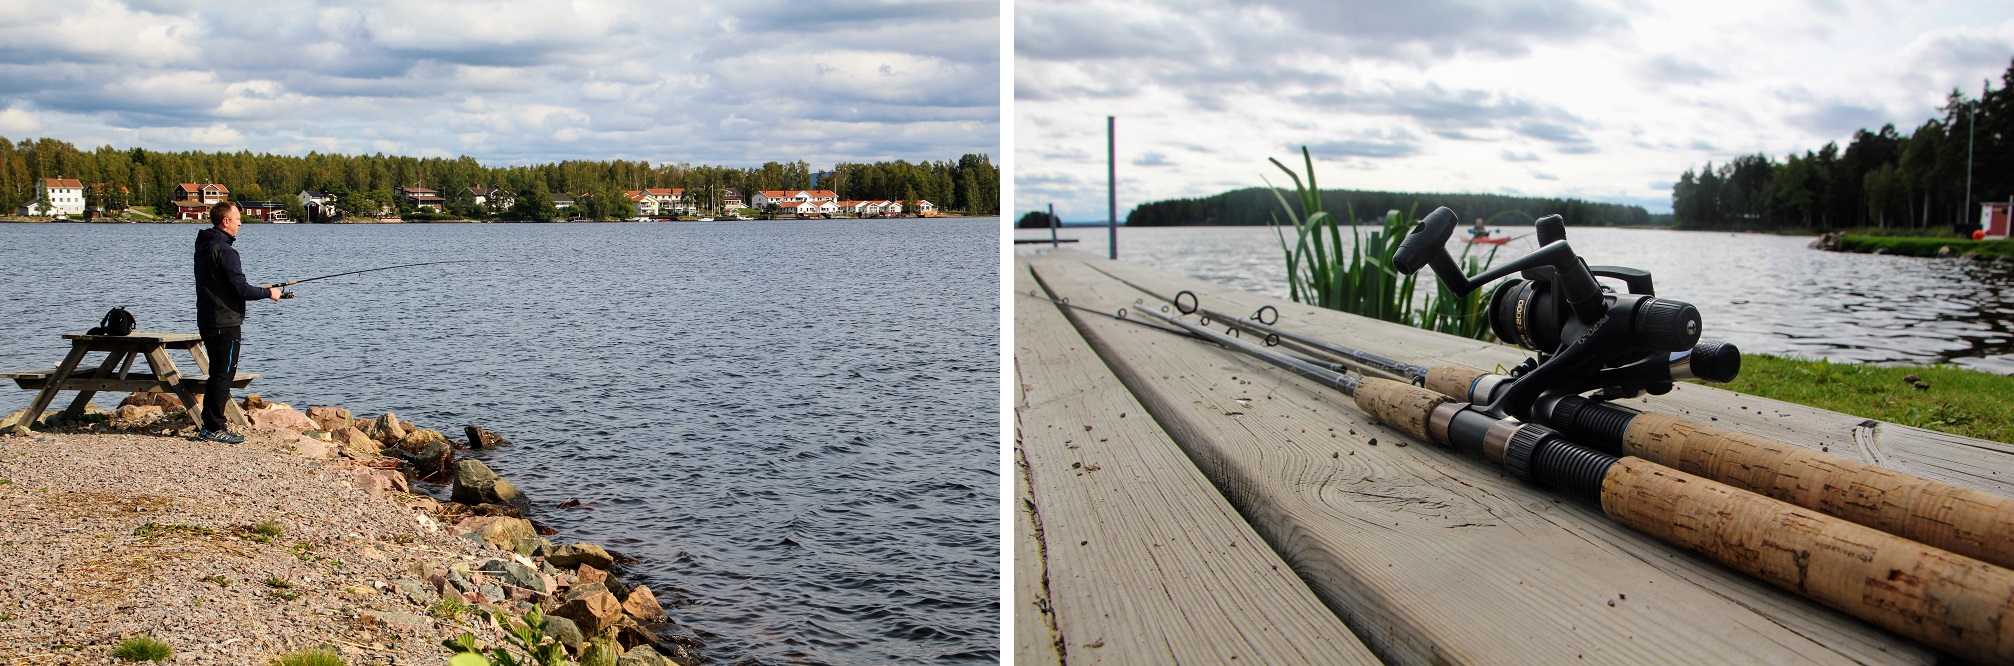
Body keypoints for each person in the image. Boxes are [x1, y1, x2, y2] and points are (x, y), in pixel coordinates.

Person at [193, 201, 282, 443]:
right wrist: (269, 293)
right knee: (223, 375)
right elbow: (241, 290)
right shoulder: (226, 251)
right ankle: (212, 426)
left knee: (217, 373)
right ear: (225, 221)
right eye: (237, 219)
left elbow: (225, 285)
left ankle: (210, 424)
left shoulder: (204, 245)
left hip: (208, 318)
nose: (240, 223)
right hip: (225, 322)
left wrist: (262, 289)